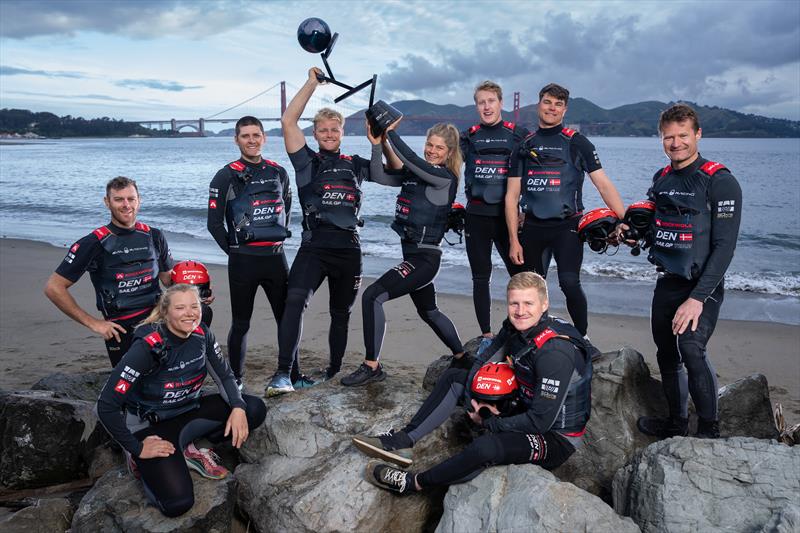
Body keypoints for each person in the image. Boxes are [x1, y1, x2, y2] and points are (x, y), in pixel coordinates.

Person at [352, 272, 593, 494]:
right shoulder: (515, 326)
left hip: (554, 436)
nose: (520, 311)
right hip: (525, 401)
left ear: (544, 305)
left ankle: (413, 483)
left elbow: (540, 421)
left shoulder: (555, 352)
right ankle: (403, 440)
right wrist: (472, 402)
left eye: (528, 304)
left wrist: (489, 421)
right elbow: (484, 361)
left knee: (486, 448)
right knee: (456, 376)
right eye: (514, 304)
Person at [619, 104, 742, 439]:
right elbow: (654, 227)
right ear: (662, 138)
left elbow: (725, 247)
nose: (676, 143)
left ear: (698, 134)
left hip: (703, 285)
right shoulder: (661, 179)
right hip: (667, 281)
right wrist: (631, 232)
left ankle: (708, 429)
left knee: (690, 346)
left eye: (683, 136)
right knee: (667, 353)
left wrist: (697, 299)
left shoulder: (720, 181)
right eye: (669, 137)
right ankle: (675, 424)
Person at [96, 284, 266, 517]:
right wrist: (136, 448)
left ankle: (193, 449)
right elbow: (106, 405)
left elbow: (225, 376)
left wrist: (237, 407)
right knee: (178, 503)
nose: (190, 313)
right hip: (153, 428)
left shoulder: (202, 334)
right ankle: (139, 461)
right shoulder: (147, 348)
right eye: (180, 307)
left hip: (189, 412)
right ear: (165, 312)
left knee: (253, 409)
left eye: (194, 306)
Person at [266, 67, 372, 396]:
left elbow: (392, 171)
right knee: (294, 300)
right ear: (315, 134)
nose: (328, 134)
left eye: (333, 129)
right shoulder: (306, 162)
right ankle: (284, 374)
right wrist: (312, 83)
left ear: (342, 131)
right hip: (314, 248)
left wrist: (381, 139)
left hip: (349, 250)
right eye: (322, 130)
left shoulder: (355, 164)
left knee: (341, 314)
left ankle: (333, 369)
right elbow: (288, 122)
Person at [340, 119, 465, 387]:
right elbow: (380, 175)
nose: (432, 151)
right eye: (429, 145)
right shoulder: (416, 173)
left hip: (425, 259)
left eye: (439, 148)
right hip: (413, 257)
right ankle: (462, 356)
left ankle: (372, 366)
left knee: (373, 296)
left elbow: (408, 157)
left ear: (450, 152)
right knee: (429, 311)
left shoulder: (444, 179)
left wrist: (390, 131)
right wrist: (378, 144)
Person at [505, 83, 624, 342]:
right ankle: (531, 338)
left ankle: (582, 338)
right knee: (531, 290)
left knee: (569, 284)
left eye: (558, 104)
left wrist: (624, 220)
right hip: (533, 228)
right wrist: (513, 239)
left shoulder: (577, 142)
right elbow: (511, 196)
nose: (552, 108)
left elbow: (602, 183)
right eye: (548, 102)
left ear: (565, 109)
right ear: (539, 104)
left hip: (567, 227)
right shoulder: (524, 146)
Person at [44, 176, 174, 366]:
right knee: (131, 389)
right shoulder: (92, 243)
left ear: (139, 200)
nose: (126, 205)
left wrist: (197, 289)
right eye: (119, 199)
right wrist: (94, 323)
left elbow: (169, 280)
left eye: (131, 199)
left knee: (203, 314)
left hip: (157, 318)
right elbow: (53, 288)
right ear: (107, 202)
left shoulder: (154, 236)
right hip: (120, 329)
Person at [207, 116, 292, 389]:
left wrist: (276, 240)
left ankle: (288, 373)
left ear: (264, 138)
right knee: (241, 323)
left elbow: (286, 212)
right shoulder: (225, 175)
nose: (252, 140)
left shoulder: (279, 172)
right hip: (243, 261)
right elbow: (213, 223)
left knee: (286, 319)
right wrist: (234, 252)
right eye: (245, 136)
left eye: (256, 135)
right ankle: (237, 379)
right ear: (237, 140)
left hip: (276, 258)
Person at [460, 81, 528, 341]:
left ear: (501, 103)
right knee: (480, 278)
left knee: (520, 277)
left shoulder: (518, 135)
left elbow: (534, 177)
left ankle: (521, 329)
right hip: (476, 217)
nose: (486, 106)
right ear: (477, 106)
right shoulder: (468, 137)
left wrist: (528, 211)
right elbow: (445, 166)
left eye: (491, 101)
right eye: (481, 102)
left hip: (507, 219)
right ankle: (486, 335)